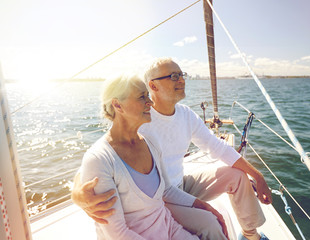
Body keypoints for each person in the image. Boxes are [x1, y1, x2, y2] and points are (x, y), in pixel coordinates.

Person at [72, 58, 272, 240]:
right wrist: (76, 193)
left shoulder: (185, 115)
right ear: (153, 86)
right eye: (174, 76)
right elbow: (104, 157)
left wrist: (258, 176)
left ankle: (250, 235)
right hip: (161, 198)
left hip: (178, 185)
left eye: (182, 75)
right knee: (210, 224)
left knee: (237, 175)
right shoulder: (139, 119)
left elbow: (217, 147)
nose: (182, 81)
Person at [78, 74, 224, 239]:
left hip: (168, 230)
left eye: (147, 95)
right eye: (142, 97)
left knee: (213, 223)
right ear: (118, 105)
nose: (151, 102)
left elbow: (167, 191)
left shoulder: (150, 142)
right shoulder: (99, 159)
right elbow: (118, 234)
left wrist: (204, 206)